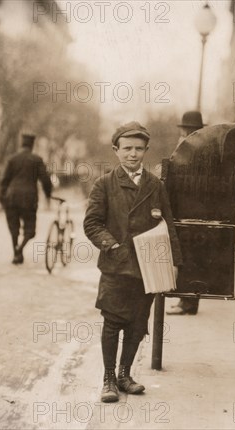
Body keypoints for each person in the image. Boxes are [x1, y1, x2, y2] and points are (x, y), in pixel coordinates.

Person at [84, 121, 182, 403]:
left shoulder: (155, 185)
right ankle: (109, 379)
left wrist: (175, 260)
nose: (133, 154)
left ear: (146, 151)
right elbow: (92, 224)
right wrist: (112, 245)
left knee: (138, 324)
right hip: (117, 265)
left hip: (148, 266)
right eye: (127, 148)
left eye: (139, 149)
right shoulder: (104, 184)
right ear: (116, 150)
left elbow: (169, 224)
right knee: (113, 322)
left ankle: (125, 375)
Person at [167, 111, 205, 316]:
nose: (182, 134)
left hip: (190, 213)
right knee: (188, 259)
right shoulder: (192, 149)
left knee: (190, 260)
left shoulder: (192, 151)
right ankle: (185, 300)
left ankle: (188, 303)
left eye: (185, 130)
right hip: (188, 212)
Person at [0, 134, 52, 265]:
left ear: (21, 144)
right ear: (32, 145)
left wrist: (2, 197)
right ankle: (20, 249)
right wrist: (48, 194)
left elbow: (4, 180)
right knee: (30, 230)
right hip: (29, 199)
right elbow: (45, 180)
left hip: (11, 197)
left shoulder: (12, 159)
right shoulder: (36, 160)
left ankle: (16, 253)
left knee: (14, 227)